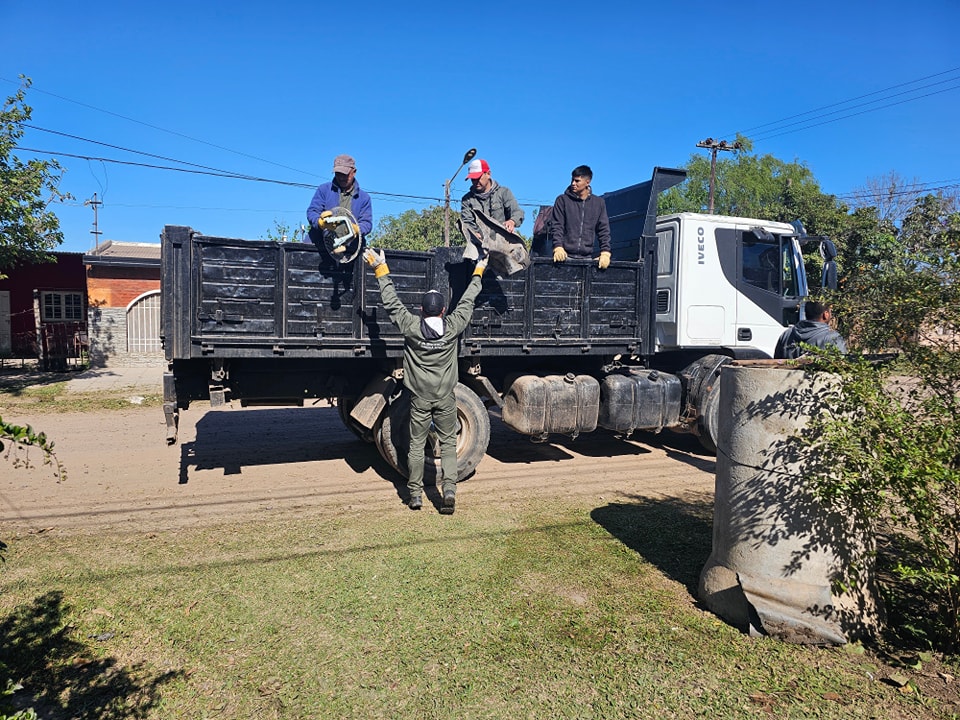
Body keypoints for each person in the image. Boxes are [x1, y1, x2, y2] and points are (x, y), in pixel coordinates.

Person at [363, 247, 488, 514]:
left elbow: (392, 303)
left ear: (421, 310)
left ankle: (416, 495)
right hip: (445, 399)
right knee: (449, 445)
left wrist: (380, 268)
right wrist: (478, 270)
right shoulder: (453, 327)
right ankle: (450, 491)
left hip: (418, 401)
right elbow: (467, 301)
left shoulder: (411, 327)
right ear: (443, 311)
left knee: (416, 447)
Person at [305, 154, 373, 252]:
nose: (341, 178)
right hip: (319, 247)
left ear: (354, 172)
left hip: (351, 250)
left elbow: (367, 223)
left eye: (345, 174)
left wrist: (357, 229)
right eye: (338, 174)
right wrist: (320, 223)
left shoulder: (364, 198)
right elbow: (312, 212)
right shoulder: (323, 190)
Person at [550, 165, 612, 269]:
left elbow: (603, 229)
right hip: (564, 258)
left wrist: (605, 252)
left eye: (577, 181)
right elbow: (557, 226)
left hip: (587, 259)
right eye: (572, 180)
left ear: (587, 182)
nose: (573, 183)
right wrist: (558, 247)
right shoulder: (562, 200)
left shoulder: (598, 203)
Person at [460, 158, 525, 241]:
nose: (475, 181)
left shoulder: (504, 192)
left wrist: (512, 221)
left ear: (488, 174)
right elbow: (467, 222)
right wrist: (472, 232)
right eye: (473, 179)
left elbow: (518, 212)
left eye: (478, 178)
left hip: (504, 244)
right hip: (480, 245)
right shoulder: (467, 200)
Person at [774, 300, 847, 359]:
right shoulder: (834, 338)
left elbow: (777, 362)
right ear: (826, 314)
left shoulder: (786, 335)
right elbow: (842, 364)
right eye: (830, 312)